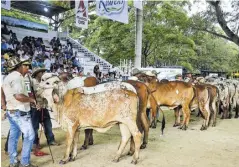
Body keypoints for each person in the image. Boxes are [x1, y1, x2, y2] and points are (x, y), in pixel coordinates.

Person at [2, 57, 38, 167]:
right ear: (19, 67)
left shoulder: (7, 77)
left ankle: (13, 162)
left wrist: (4, 105)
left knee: (13, 137)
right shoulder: (17, 78)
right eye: (25, 66)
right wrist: (32, 100)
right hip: (20, 111)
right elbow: (18, 96)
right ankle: (24, 163)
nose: (27, 68)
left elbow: (4, 92)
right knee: (30, 136)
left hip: (11, 111)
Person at [31, 67, 59, 151]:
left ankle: (51, 140)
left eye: (43, 71)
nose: (43, 73)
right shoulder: (33, 81)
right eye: (41, 72)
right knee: (34, 127)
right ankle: (35, 143)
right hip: (35, 107)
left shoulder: (45, 82)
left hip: (44, 107)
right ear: (36, 74)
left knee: (48, 125)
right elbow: (32, 93)